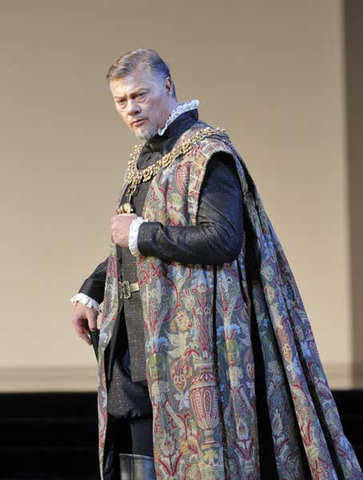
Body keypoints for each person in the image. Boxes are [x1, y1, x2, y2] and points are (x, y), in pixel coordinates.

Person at [71, 49, 362, 480]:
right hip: (137, 346)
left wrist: (141, 233)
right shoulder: (146, 159)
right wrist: (93, 289)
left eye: (139, 95)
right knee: (138, 455)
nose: (130, 108)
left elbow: (222, 238)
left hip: (188, 347)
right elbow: (130, 245)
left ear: (167, 87)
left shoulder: (206, 154)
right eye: (121, 101)